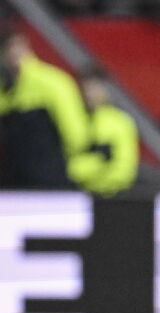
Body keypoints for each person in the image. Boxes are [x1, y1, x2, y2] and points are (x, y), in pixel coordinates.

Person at [0, 26, 89, 189]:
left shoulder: (53, 83)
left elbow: (76, 135)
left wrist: (70, 167)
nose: (13, 54)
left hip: (48, 177)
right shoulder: (5, 89)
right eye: (8, 49)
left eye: (17, 48)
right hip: (13, 179)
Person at [67, 68, 139, 197]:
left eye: (94, 88)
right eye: (85, 89)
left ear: (106, 89)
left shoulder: (115, 121)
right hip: (90, 191)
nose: (89, 94)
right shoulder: (79, 118)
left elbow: (104, 159)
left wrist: (69, 171)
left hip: (109, 193)